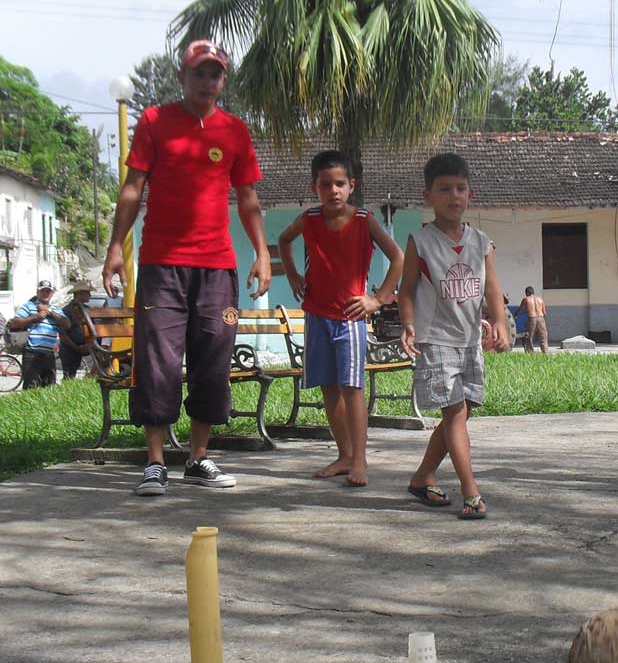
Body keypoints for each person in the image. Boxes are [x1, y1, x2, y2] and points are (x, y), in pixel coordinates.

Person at [101, 40, 272, 497]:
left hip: (219, 270)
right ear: (183, 76)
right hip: (162, 267)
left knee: (215, 358)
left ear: (223, 80)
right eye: (199, 73)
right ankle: (156, 463)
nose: (207, 81)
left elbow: (249, 199)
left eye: (215, 74)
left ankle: (198, 458)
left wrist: (262, 252)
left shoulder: (235, 130)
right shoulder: (156, 121)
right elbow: (133, 188)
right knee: (157, 361)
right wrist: (116, 245)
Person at [277, 149, 404, 486]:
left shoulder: (365, 220)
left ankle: (360, 460)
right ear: (315, 187)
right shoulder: (308, 220)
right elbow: (283, 240)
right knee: (329, 388)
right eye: (325, 184)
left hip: (350, 318)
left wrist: (378, 299)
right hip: (317, 315)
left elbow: (398, 257)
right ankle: (344, 454)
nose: (332, 190)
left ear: (351, 186)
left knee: (352, 388)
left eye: (339, 184)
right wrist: (292, 276)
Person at [399, 153, 509, 519]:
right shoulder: (421, 240)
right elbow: (408, 289)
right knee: (455, 412)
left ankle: (422, 476)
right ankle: (471, 493)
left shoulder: (481, 241)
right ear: (428, 195)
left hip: (470, 340)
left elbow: (492, 287)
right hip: (435, 338)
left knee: (461, 415)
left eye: (460, 188)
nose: (454, 196)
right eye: (444, 189)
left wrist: (500, 323)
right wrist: (409, 324)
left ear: (470, 194)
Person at [8, 279, 71, 388]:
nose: (45, 293)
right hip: (32, 353)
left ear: (52, 293)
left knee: (49, 387)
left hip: (49, 354)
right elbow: (14, 323)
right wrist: (35, 317)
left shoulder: (56, 310)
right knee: (30, 387)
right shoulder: (29, 306)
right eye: (43, 291)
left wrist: (49, 312)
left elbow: (67, 324)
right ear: (37, 292)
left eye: (48, 291)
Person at [58, 277, 93, 380]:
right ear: (79, 294)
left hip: (85, 347)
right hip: (69, 349)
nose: (90, 295)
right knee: (69, 375)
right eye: (87, 293)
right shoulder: (67, 310)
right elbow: (62, 334)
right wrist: (75, 347)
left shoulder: (88, 310)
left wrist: (87, 345)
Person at [517, 286, 549, 353]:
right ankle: (545, 352)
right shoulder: (540, 299)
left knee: (529, 337)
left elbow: (520, 310)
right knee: (543, 336)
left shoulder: (526, 299)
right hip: (541, 318)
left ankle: (531, 352)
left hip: (532, 318)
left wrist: (516, 315)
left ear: (527, 293)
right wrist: (543, 321)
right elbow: (544, 312)